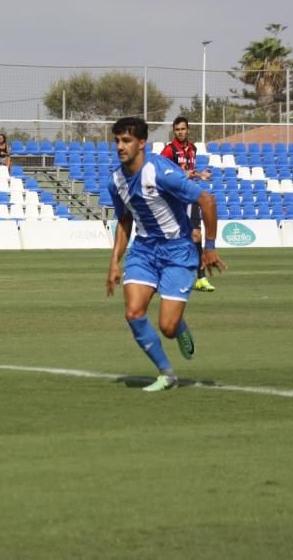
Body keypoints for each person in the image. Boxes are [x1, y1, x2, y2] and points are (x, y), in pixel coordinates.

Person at [105, 116, 226, 392]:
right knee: (134, 313)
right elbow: (125, 221)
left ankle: (179, 328)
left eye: (127, 141)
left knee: (167, 328)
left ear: (142, 143)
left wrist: (209, 247)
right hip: (144, 251)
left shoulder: (160, 172)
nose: (120, 147)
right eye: (117, 141)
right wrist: (114, 262)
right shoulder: (116, 182)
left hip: (178, 251)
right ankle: (166, 373)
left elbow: (207, 200)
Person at [160, 116, 215, 292]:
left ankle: (201, 278)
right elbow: (161, 170)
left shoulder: (192, 148)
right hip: (174, 199)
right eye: (177, 130)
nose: (180, 132)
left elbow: (188, 171)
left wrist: (200, 175)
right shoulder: (169, 151)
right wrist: (185, 175)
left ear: (188, 129)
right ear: (174, 131)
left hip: (189, 196)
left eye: (183, 129)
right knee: (168, 237)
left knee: (196, 235)